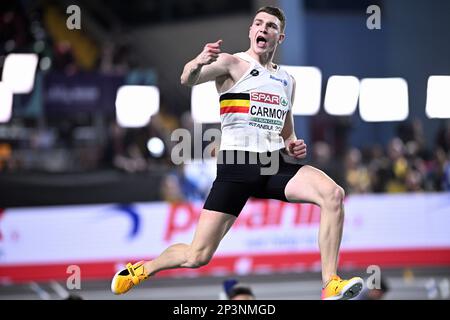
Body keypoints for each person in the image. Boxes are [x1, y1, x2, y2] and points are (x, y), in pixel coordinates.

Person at [111, 6, 363, 300]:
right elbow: (187, 79)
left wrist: (294, 144)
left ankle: (330, 282)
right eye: (258, 23)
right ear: (251, 31)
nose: (263, 29)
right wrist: (198, 60)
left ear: (279, 37)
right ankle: (141, 270)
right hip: (237, 167)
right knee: (197, 256)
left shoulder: (286, 81)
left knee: (333, 194)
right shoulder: (232, 64)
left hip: (272, 166)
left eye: (270, 26)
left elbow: (287, 131)